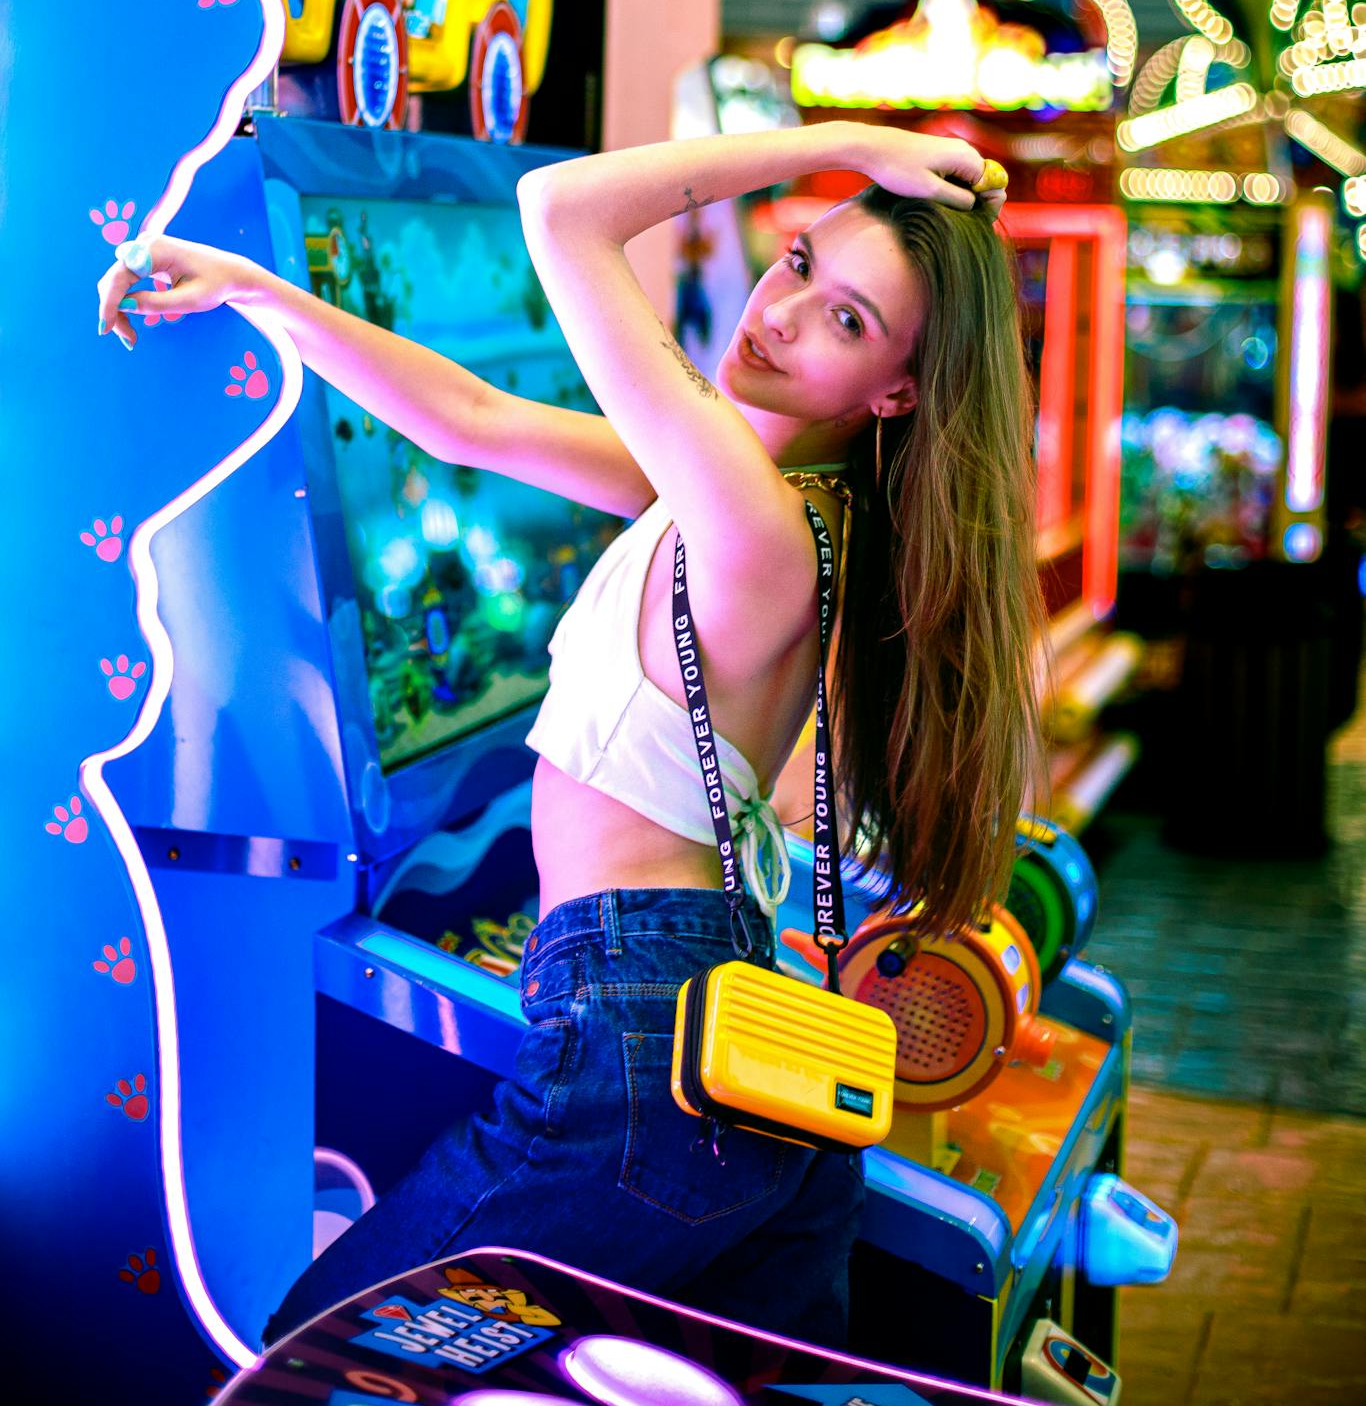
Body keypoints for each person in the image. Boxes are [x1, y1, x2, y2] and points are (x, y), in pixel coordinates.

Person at [96, 120, 1043, 1350]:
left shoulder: (754, 526)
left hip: (639, 1041)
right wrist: (263, 289)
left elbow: (559, 209)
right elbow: (469, 418)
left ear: (896, 393)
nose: (782, 308)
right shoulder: (751, 500)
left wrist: (854, 138)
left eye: (848, 320)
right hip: (718, 1036)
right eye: (800, 259)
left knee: (317, 1358)